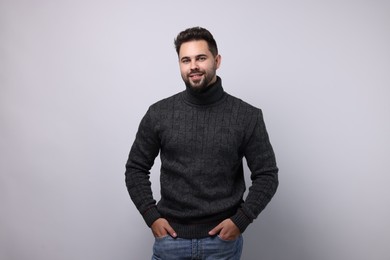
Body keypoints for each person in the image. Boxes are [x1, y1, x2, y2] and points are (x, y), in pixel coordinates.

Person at [125, 26, 279, 260]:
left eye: (201, 58)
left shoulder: (247, 116)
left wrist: (241, 220)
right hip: (171, 242)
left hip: (222, 245)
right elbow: (135, 168)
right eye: (185, 60)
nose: (193, 66)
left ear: (217, 60)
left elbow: (267, 175)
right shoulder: (159, 113)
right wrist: (151, 216)